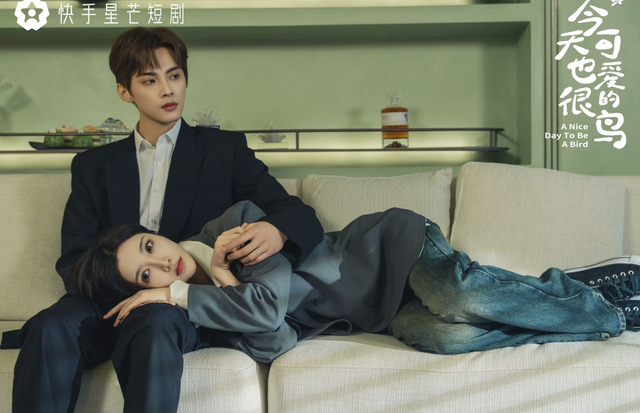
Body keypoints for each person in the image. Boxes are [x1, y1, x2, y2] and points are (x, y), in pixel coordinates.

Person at [11, 28, 323, 413]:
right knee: (49, 326)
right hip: (106, 301)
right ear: (125, 91)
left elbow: (297, 214)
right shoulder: (93, 167)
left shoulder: (223, 151)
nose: (167, 89)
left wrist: (276, 230)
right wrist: (129, 293)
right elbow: (75, 260)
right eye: (149, 80)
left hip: (181, 308)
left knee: (153, 321)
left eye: (174, 75)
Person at [75, 200, 640, 365]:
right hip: (385, 316)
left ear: (156, 233)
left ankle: (607, 308)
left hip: (389, 252)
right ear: (139, 292)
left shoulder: (237, 226)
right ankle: (589, 290)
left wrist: (181, 291)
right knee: (446, 336)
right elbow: (276, 341)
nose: (162, 265)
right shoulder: (205, 310)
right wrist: (218, 282)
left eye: (149, 247)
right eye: (144, 275)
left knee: (458, 294)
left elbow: (267, 310)